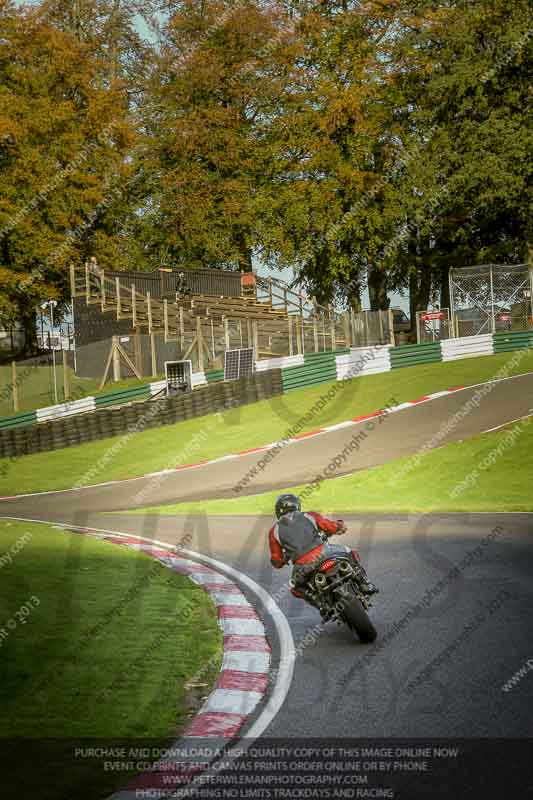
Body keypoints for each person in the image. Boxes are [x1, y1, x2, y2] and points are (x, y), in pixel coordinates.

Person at [268, 494, 378, 615]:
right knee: (349, 551)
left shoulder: (274, 531)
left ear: (278, 510)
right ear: (297, 505)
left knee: (295, 588)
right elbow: (329, 526)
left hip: (303, 566)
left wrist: (283, 559)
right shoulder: (309, 515)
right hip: (324, 552)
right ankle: (364, 583)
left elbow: (276, 560)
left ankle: (321, 605)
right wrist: (339, 526)